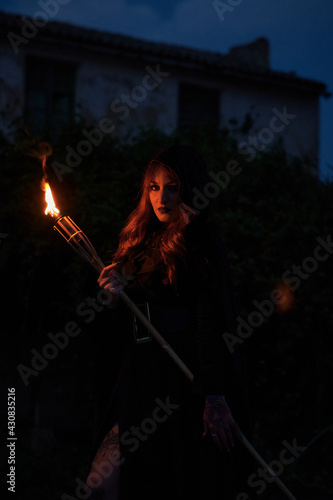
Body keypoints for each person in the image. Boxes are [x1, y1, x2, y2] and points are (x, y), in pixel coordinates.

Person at [86, 145, 251, 500]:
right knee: (101, 485)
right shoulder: (137, 243)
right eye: (154, 187)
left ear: (189, 188)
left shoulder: (202, 243)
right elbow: (118, 325)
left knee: (172, 482)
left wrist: (214, 396)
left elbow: (212, 321)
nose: (162, 197)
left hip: (182, 382)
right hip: (138, 378)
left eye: (172, 186)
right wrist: (112, 300)